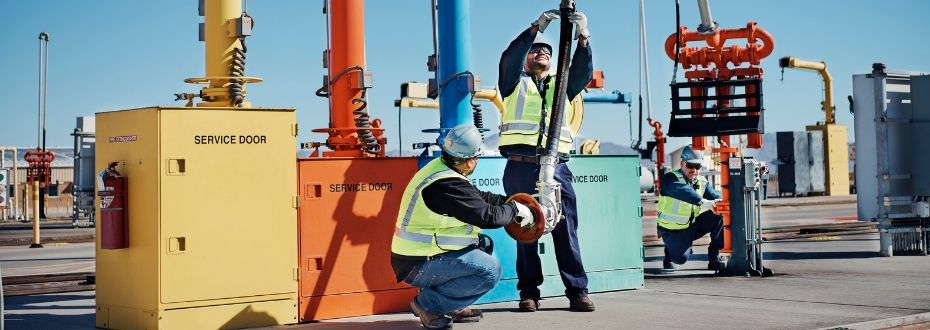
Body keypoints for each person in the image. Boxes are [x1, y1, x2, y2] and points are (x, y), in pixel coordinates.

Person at [391, 124, 538, 329]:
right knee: (490, 270)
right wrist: (515, 211)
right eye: (476, 157)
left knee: (482, 245)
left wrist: (512, 202)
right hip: (417, 265)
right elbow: (487, 217)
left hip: (420, 257)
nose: (476, 161)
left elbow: (480, 198)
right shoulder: (446, 185)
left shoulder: (442, 169)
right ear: (469, 160)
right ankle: (428, 305)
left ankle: (448, 305)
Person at [497, 9, 594, 312]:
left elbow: (583, 70)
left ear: (553, 62)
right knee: (525, 230)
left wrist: (583, 37)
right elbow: (509, 57)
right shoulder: (513, 84)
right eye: (535, 50)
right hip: (520, 166)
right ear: (527, 58)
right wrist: (536, 29)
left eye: (546, 52)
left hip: (557, 168)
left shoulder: (563, 86)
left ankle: (577, 291)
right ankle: (529, 293)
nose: (540, 52)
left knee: (566, 231)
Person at [657, 145, 726, 271]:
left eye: (697, 167)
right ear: (682, 163)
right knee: (681, 258)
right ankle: (669, 253)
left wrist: (730, 200)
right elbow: (686, 192)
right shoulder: (670, 179)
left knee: (720, 211)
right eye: (690, 166)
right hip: (672, 230)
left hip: (692, 225)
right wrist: (704, 202)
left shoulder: (701, 181)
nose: (694, 170)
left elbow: (716, 196)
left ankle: (714, 257)